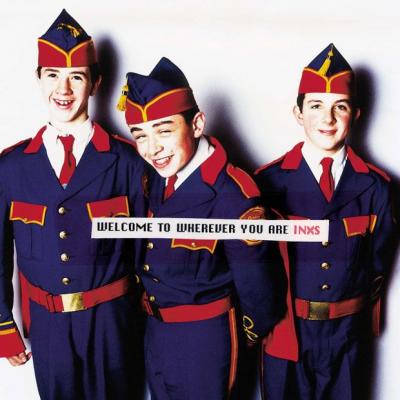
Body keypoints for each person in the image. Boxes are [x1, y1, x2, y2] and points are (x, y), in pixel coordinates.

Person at [0, 9, 146, 400]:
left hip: (113, 323)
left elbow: (148, 251)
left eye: (76, 77)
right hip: (47, 326)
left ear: (96, 83)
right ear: (38, 79)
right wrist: (3, 325)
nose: (63, 89)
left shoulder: (129, 161)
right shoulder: (10, 167)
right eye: (52, 75)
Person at [117, 57, 282, 399]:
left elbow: (261, 294)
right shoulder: (155, 179)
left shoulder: (233, 194)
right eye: (140, 135)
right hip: (156, 334)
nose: (152, 148)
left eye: (164, 130)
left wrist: (234, 338)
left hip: (205, 342)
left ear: (196, 124)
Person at [255, 44, 395, 400]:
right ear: (298, 113)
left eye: (340, 107)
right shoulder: (267, 183)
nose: (327, 119)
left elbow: (378, 263)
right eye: (316, 106)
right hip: (286, 333)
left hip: (347, 336)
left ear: (356, 114)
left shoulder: (376, 186)